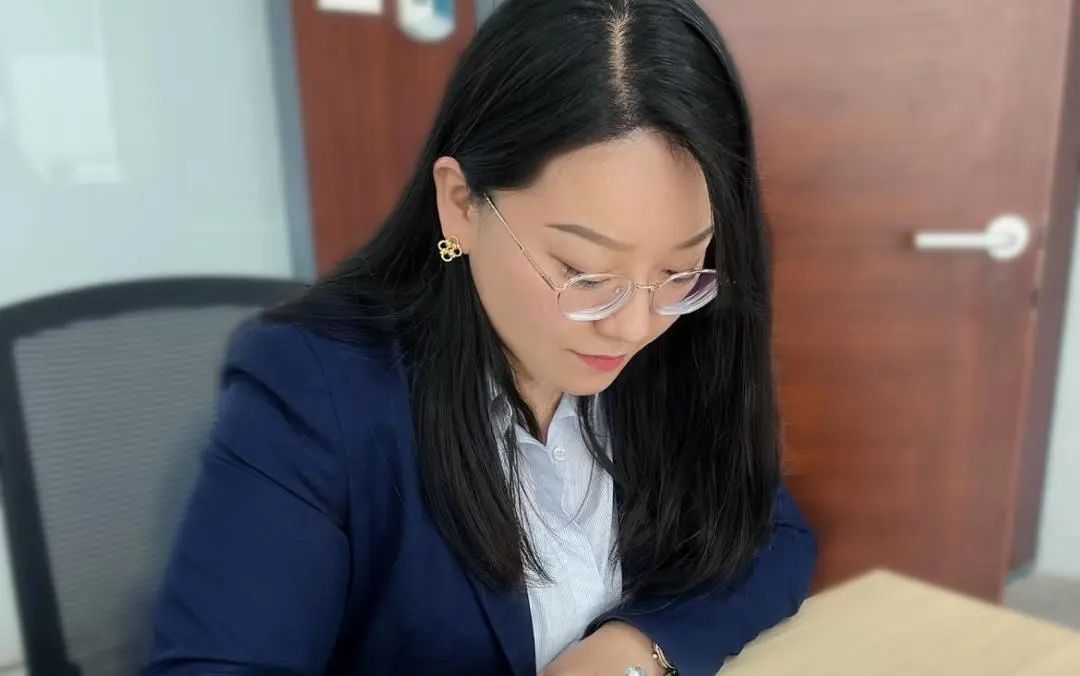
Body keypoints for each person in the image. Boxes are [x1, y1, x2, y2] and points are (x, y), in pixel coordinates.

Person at [144, 0, 816, 673]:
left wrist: (636, 646)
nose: (635, 325)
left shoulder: (674, 341)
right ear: (461, 205)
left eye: (679, 269)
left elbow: (768, 533)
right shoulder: (312, 391)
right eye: (584, 274)